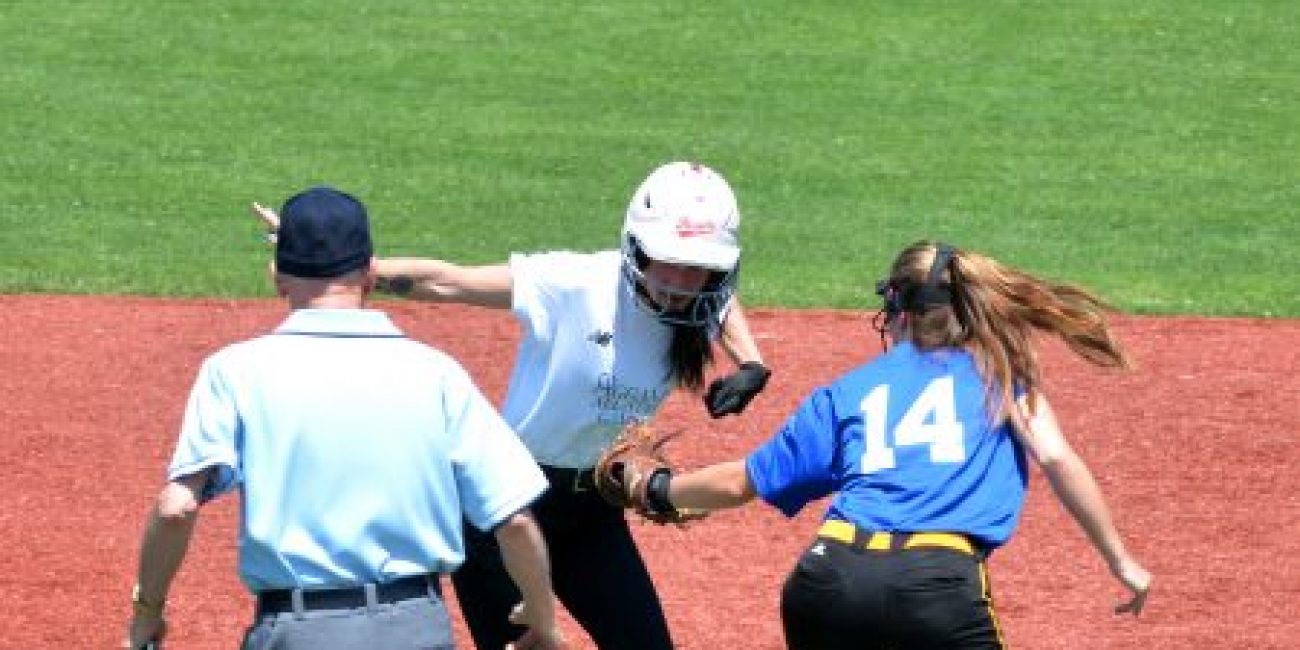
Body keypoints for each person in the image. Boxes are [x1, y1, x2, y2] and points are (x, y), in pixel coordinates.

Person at [251, 161, 771, 649]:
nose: (679, 283)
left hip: (593, 508)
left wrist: (750, 362)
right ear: (636, 246)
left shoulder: (699, 301)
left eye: (698, 269)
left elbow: (720, 303)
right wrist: (332, 267)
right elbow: (446, 281)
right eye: (670, 263)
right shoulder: (574, 284)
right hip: (505, 506)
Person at [616, 241, 1153, 649]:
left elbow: (740, 483)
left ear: (896, 309)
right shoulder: (999, 378)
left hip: (825, 583)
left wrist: (656, 487)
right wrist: (1120, 559)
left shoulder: (847, 391)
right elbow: (1058, 458)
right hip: (937, 589)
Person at [126, 186, 565, 650]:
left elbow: (176, 508)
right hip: (418, 628)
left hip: (296, 632)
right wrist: (541, 613)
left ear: (277, 276)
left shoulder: (234, 372)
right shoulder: (437, 374)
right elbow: (514, 521)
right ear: (372, 274)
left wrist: (146, 612)